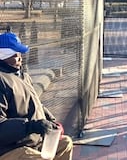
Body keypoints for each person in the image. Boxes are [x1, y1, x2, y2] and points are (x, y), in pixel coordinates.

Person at [0, 31, 73, 160]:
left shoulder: (22, 76)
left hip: (32, 142)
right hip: (11, 148)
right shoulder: (2, 80)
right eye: (15, 55)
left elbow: (36, 103)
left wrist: (51, 120)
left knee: (65, 144)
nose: (20, 58)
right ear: (3, 57)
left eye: (20, 54)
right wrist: (32, 126)